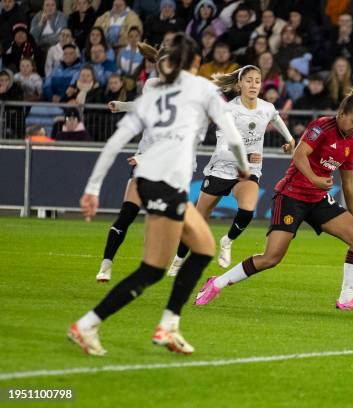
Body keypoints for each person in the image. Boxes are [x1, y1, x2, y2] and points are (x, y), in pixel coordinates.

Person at [68, 33, 249, 356]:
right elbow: (233, 136)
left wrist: (93, 188)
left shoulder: (154, 93)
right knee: (183, 256)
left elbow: (117, 138)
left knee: (179, 257)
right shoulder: (201, 89)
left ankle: (136, 325)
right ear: (195, 62)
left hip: (150, 180)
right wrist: (244, 166)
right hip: (165, 183)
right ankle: (149, 325)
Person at [193, 88, 353, 312]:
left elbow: (349, 182)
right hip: (292, 196)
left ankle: (347, 299)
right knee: (271, 258)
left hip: (318, 199)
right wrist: (314, 179)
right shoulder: (321, 127)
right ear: (342, 114)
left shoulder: (351, 144)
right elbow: (299, 155)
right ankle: (217, 283)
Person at [168, 65, 295, 274]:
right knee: (199, 220)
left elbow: (276, 118)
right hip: (221, 170)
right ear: (239, 84)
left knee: (247, 209)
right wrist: (245, 156)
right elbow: (222, 151)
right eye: (249, 80)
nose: (253, 84)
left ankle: (227, 241)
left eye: (257, 80)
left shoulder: (267, 108)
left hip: (248, 171)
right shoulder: (229, 110)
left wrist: (290, 139)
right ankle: (179, 258)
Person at [95, 43, 165, 282]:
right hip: (144, 158)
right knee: (127, 214)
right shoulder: (152, 85)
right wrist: (122, 106)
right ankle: (105, 265)